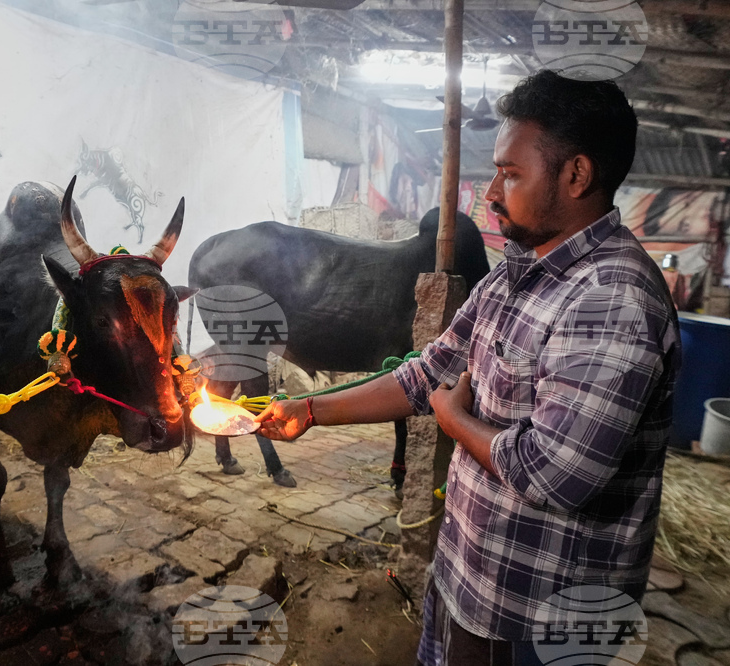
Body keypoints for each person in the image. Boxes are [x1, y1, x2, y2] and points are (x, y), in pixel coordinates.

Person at [256, 70, 681, 666]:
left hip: (537, 621)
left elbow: (555, 477)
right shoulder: (514, 273)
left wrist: (453, 422)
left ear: (577, 174)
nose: (491, 194)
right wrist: (308, 410)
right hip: (472, 577)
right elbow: (425, 374)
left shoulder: (610, 300)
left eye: (511, 174)